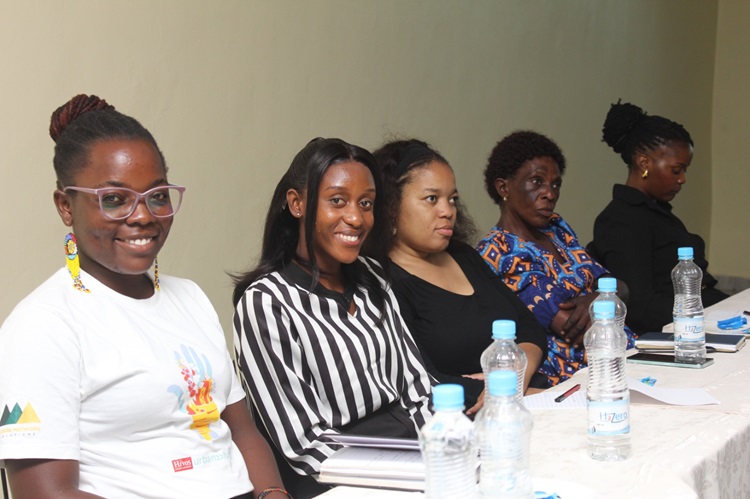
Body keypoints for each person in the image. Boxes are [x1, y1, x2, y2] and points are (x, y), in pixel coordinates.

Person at [0, 94, 289, 499]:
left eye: (157, 196)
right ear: (66, 206)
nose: (143, 215)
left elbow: (241, 430)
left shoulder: (190, 297)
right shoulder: (42, 325)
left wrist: (274, 494)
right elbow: (44, 494)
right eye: (114, 199)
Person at [232, 138, 432, 498]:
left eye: (366, 203)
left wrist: (440, 453)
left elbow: (418, 389)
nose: (356, 218)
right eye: (337, 200)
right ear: (297, 204)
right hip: (339, 480)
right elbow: (304, 443)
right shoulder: (267, 303)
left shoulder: (373, 276)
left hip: (415, 459)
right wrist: (403, 477)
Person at [370, 139, 548, 412]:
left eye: (452, 199)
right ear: (392, 205)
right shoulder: (385, 282)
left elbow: (528, 326)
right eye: (432, 199)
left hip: (528, 397)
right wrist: (504, 393)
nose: (448, 211)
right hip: (467, 419)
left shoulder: (463, 255)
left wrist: (514, 377)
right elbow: (422, 378)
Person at [476, 130, 636, 387]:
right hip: (576, 374)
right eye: (536, 182)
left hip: (623, 356)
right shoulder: (498, 252)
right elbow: (572, 328)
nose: (549, 194)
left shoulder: (557, 229)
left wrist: (596, 297)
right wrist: (606, 298)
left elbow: (619, 286)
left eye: (555, 184)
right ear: (503, 187)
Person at [589, 100, 729, 334]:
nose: (682, 179)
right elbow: (641, 308)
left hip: (705, 314)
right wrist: (704, 315)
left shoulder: (655, 211)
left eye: (685, 171)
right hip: (680, 329)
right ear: (644, 163)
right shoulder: (620, 220)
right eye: (676, 170)